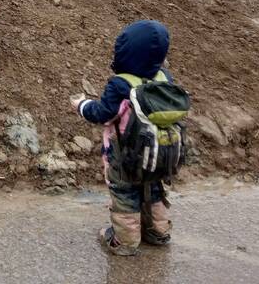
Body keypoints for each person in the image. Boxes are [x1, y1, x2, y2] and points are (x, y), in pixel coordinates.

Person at [71, 20, 179, 256]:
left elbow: (103, 114)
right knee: (154, 189)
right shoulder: (164, 79)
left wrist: (82, 105)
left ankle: (125, 241)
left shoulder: (121, 85)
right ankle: (159, 231)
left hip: (126, 156)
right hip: (158, 155)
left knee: (125, 194)